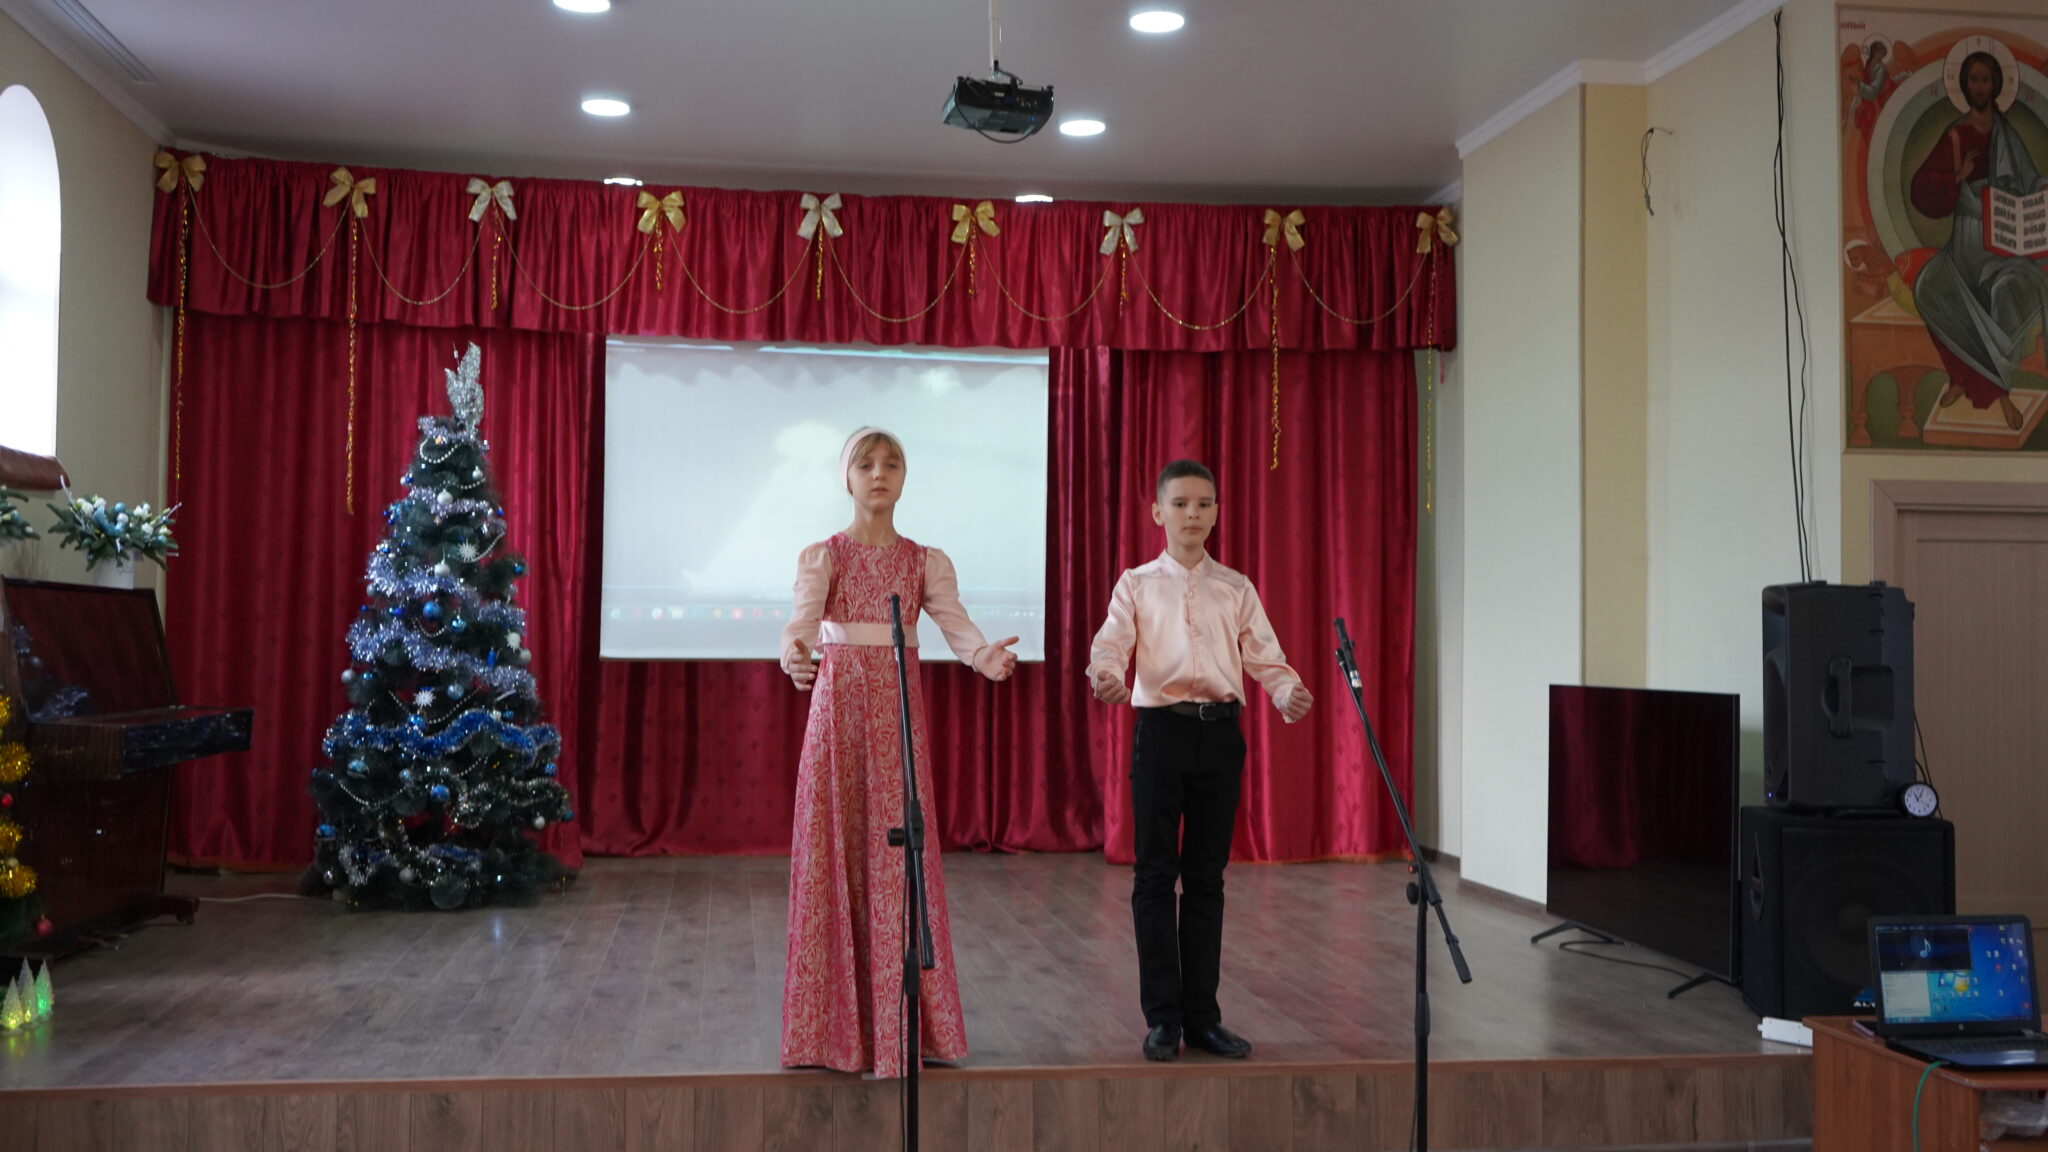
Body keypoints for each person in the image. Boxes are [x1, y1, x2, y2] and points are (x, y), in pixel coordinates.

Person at [778, 426, 1019, 1077]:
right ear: (847, 478)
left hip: (897, 724)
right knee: (834, 854)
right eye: (866, 464)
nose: (879, 474)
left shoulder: (923, 561)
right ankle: (833, 1034)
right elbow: (799, 629)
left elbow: (958, 627)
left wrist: (984, 656)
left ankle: (902, 1032)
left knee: (897, 863)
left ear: (905, 477)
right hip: (838, 720)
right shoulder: (824, 557)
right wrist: (794, 656)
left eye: (891, 464)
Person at [1086, 459, 1312, 1062]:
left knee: (1207, 877)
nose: (1193, 513)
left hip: (1219, 737)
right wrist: (1106, 674)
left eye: (1204, 503)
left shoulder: (1236, 587)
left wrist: (1286, 691)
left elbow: (1265, 656)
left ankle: (1203, 1018)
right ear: (1158, 511)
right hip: (1161, 733)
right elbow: (1110, 645)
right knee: (1155, 875)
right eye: (1181, 503)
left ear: (1216, 513)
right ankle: (1162, 1018)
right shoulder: (1136, 583)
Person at [1908, 49, 2048, 431]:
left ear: (1996, 84)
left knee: (1996, 299)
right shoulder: (1956, 135)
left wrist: (2042, 191)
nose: (1980, 87)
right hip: (1967, 234)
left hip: (2002, 235)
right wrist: (1957, 177)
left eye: (1986, 80)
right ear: (1965, 85)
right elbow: (1921, 187)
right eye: (1973, 80)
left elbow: (2031, 180)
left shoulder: (2007, 134)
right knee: (1929, 289)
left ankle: (2000, 394)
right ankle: (1959, 377)